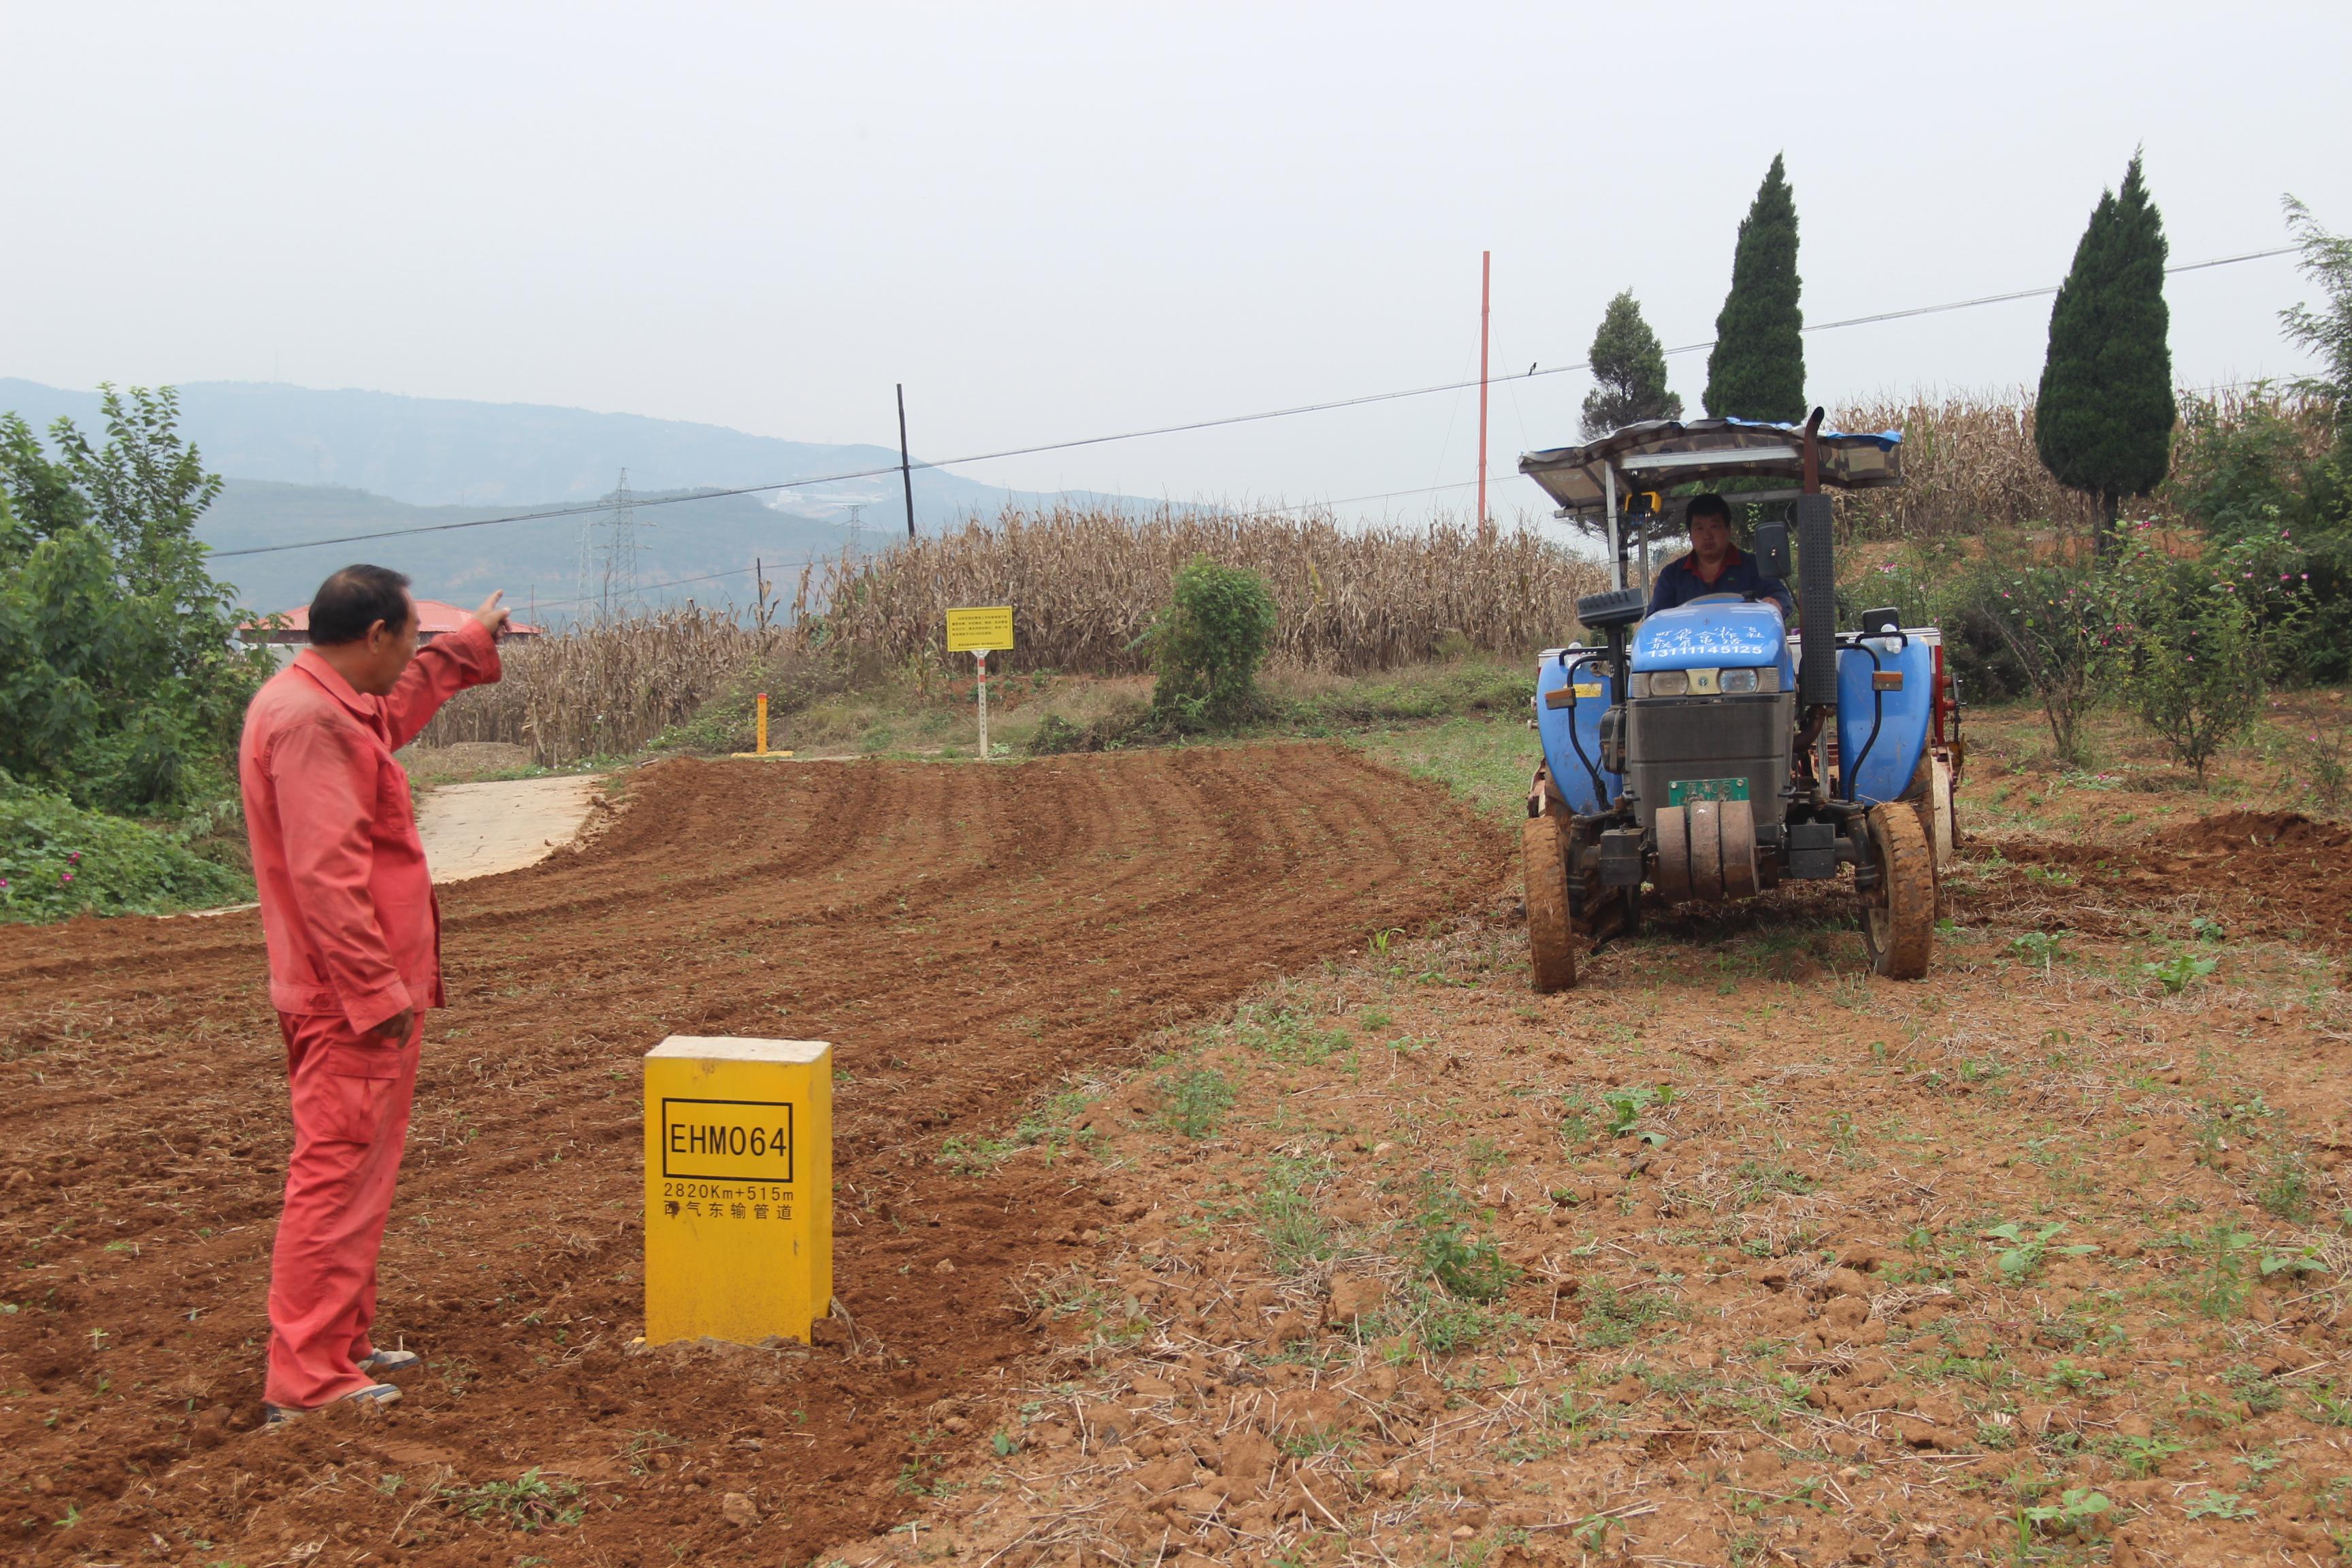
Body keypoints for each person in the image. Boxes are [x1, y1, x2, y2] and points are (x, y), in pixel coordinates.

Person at [238, 566, 508, 1421]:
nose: (413, 657)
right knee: (335, 1174)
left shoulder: (324, 699)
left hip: (349, 991)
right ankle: (311, 1377)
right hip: (350, 998)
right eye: (413, 640)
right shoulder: (313, 723)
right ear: (378, 636)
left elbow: (392, 712)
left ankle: (340, 1345)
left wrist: (465, 649)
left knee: (358, 1176)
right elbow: (327, 877)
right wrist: (375, 990)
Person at [1646, 493, 1795, 618]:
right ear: (1690, 534)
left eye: (1714, 526)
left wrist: (1775, 603)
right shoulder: (1672, 575)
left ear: (1728, 530)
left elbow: (1782, 597)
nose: (1707, 536)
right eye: (1700, 528)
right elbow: (1656, 618)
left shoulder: (1754, 567)